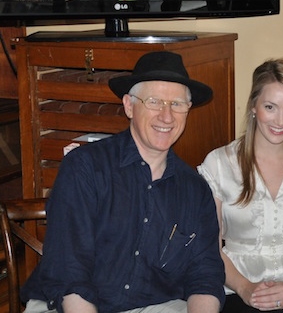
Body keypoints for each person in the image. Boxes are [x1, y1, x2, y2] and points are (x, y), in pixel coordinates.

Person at [20, 51, 225, 313]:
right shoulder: (85, 167)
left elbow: (205, 277)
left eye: (176, 104)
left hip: (153, 306)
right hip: (68, 305)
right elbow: (69, 272)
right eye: (154, 102)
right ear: (129, 105)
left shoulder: (196, 191)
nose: (166, 116)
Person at [197, 58, 283, 313]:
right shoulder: (218, 164)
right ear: (253, 106)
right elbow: (209, 249)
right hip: (236, 285)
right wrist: (245, 288)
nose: (280, 121)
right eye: (270, 106)